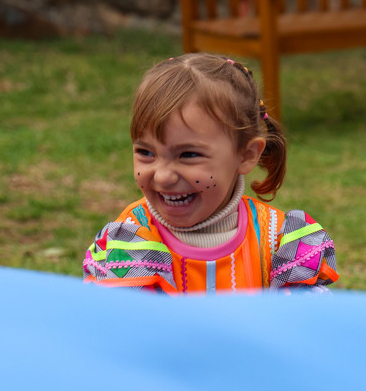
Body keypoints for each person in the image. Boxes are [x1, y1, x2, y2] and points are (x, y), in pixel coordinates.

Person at [83, 54, 338, 293]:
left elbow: (298, 321)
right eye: (146, 152)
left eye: (188, 155)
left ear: (246, 155)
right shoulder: (129, 240)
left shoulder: (280, 243)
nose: (162, 177)